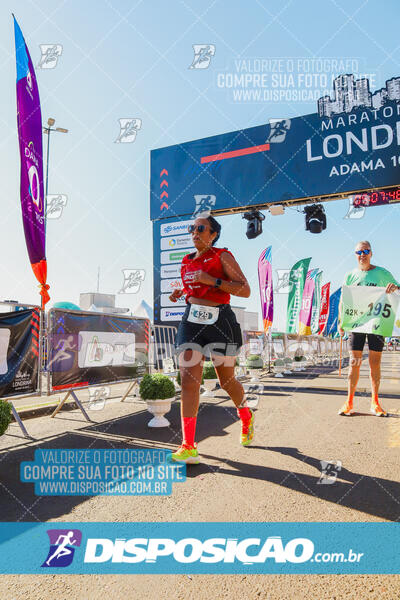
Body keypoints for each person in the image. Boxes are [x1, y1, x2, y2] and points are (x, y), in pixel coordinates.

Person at [169, 214, 252, 464]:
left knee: (226, 380)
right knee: (188, 378)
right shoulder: (186, 261)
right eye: (191, 228)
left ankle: (246, 415)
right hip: (191, 320)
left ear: (213, 234)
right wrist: (180, 292)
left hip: (220, 321)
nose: (194, 232)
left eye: (201, 228)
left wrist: (212, 281)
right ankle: (188, 445)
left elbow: (244, 290)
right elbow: (193, 286)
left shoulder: (222, 255)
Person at [338, 241, 400, 417]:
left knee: (375, 363)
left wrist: (395, 288)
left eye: (366, 251)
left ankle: (375, 402)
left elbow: (399, 290)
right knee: (354, 362)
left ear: (371, 253)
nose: (362, 254)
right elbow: (344, 300)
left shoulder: (382, 273)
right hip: (356, 323)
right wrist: (340, 321)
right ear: (355, 254)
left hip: (377, 323)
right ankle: (349, 402)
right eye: (359, 252)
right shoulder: (350, 275)